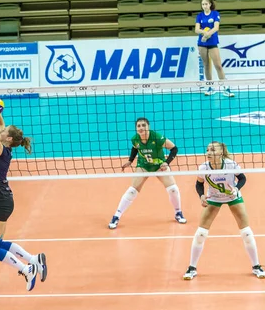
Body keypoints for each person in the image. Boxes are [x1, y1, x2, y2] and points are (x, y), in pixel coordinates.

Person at [0, 106, 47, 291]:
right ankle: (33, 259)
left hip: (1, 203)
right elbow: (1, 127)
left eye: (4, 131)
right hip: (1, 200)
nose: (0, 130)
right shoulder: (4, 148)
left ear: (8, 139)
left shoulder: (2, 151)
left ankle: (26, 269)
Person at [183, 141, 265, 280]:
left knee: (246, 232)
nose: (209, 152)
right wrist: (201, 196)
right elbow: (199, 183)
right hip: (214, 198)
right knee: (201, 233)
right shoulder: (204, 167)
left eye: (213, 150)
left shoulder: (230, 164)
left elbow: (242, 178)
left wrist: (237, 188)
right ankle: (192, 268)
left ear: (221, 152)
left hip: (233, 197)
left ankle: (256, 266)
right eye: (208, 149)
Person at [109, 118, 186, 229]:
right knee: (132, 190)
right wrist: (130, 161)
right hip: (143, 166)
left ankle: (178, 212)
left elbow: (174, 149)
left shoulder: (157, 137)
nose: (141, 128)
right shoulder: (135, 139)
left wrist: (166, 163)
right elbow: (135, 148)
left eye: (143, 125)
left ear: (148, 127)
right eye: (138, 126)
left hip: (159, 166)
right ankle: (116, 216)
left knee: (173, 189)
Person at [195, 0, 234, 97]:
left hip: (212, 43)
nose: (204, 6)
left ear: (210, 4)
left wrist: (208, 34)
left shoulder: (215, 14)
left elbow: (216, 27)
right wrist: (204, 32)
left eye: (206, 4)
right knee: (207, 65)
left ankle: (226, 88)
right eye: (203, 4)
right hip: (202, 44)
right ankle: (210, 87)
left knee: (218, 66)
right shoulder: (199, 16)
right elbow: (197, 29)